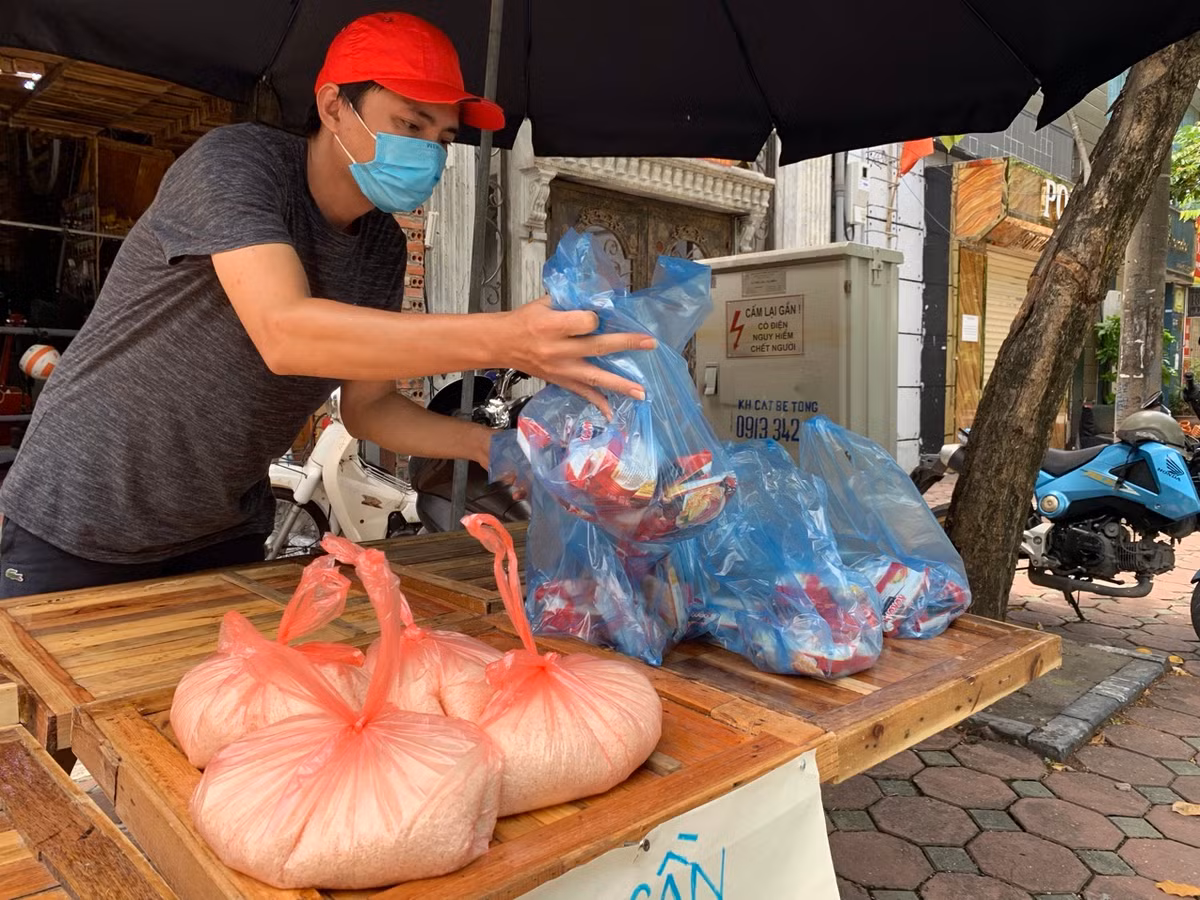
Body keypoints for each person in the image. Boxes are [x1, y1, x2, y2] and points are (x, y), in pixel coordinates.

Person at [0, 12, 652, 597]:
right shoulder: (236, 167)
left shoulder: (380, 249)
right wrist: (505, 338)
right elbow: (284, 332)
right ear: (335, 105)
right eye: (409, 124)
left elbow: (371, 409)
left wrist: (489, 447)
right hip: (78, 514)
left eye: (442, 135)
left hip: (218, 528)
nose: (427, 151)